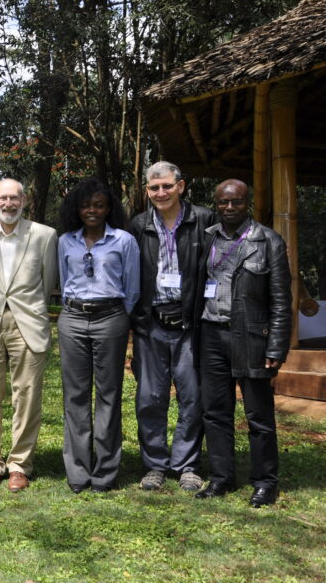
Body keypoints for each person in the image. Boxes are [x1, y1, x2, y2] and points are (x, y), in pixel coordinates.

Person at [195, 179, 290, 507]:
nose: (229, 207)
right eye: (223, 202)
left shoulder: (268, 241)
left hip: (251, 337)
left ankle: (265, 482)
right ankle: (221, 477)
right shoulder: (208, 238)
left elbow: (281, 300)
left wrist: (276, 347)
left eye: (236, 201)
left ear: (246, 202)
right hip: (211, 334)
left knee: (258, 414)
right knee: (215, 411)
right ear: (216, 203)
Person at [0, 178, 58, 493]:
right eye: (2, 198)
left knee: (27, 398)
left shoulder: (44, 235)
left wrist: (29, 311)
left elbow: (47, 282)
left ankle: (19, 464)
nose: (8, 204)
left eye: (14, 198)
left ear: (24, 201)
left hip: (28, 325)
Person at [127, 161, 213, 492]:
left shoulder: (203, 220)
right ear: (147, 191)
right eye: (154, 187)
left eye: (166, 186)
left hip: (190, 324)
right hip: (151, 324)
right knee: (150, 398)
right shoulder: (138, 225)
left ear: (181, 186)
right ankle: (155, 465)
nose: (161, 192)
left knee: (192, 397)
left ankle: (187, 465)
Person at [57, 177, 140, 493]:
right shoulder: (66, 241)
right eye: (85, 205)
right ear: (77, 209)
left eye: (98, 205)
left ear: (108, 209)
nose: (91, 210)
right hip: (73, 319)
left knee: (109, 395)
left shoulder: (124, 241)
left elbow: (132, 287)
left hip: (110, 318)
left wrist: (118, 316)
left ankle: (105, 473)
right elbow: (64, 280)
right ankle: (78, 472)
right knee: (75, 396)